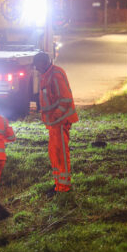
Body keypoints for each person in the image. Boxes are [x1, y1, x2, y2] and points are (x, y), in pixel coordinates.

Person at [32, 52, 78, 197]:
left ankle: (64, 187)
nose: (36, 69)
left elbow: (65, 100)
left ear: (44, 63)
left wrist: (55, 117)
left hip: (60, 122)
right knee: (54, 153)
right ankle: (58, 184)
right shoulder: (46, 74)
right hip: (54, 123)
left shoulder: (55, 74)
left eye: (37, 66)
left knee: (61, 154)